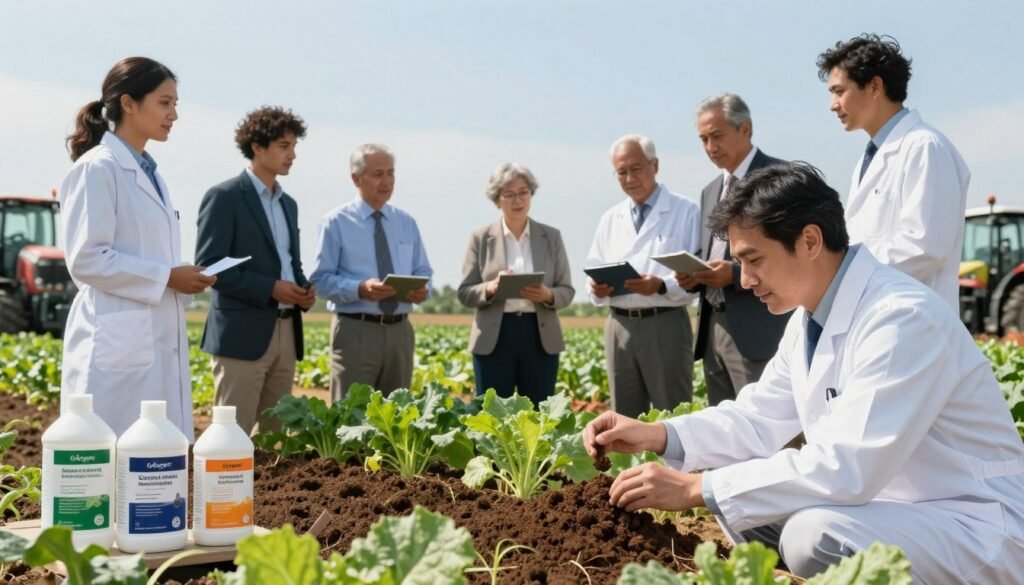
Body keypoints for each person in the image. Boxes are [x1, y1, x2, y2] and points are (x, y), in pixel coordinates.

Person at [584, 163, 1024, 582]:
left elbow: (847, 465)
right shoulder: (809, 318)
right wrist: (657, 433)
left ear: (810, 241)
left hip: (971, 521)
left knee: (811, 536)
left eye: (754, 260)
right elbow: (758, 416)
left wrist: (694, 488)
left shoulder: (902, 317)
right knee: (743, 504)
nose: (747, 279)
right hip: (895, 511)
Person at [59, 57, 215, 439]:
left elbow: (143, 253)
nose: (174, 115)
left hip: (151, 329)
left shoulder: (151, 173)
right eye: (164, 103)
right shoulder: (99, 168)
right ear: (128, 103)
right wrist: (166, 276)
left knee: (156, 456)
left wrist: (177, 275)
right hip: (116, 337)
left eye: (175, 104)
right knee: (113, 457)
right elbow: (86, 259)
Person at [818, 34, 969, 311]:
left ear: (875, 86)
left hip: (914, 318)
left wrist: (841, 266)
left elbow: (925, 247)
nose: (833, 104)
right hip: (876, 310)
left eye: (839, 91)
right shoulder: (872, 155)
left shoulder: (925, 147)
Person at [194, 106, 315, 434]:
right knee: (232, 434)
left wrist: (302, 288)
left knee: (275, 436)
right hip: (241, 335)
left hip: (287, 332)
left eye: (294, 147)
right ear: (257, 148)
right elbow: (210, 268)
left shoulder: (289, 204)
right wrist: (270, 288)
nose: (292, 155)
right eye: (283, 146)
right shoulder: (224, 197)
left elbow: (290, 263)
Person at [679, 93, 790, 405]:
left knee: (767, 431)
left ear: (745, 129)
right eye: (703, 139)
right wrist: (694, 275)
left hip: (758, 327)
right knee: (725, 434)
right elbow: (711, 252)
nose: (710, 148)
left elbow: (791, 255)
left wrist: (735, 273)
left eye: (716, 136)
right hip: (712, 326)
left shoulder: (778, 179)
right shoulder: (709, 191)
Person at [585, 134, 701, 417]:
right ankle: (629, 464)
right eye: (621, 172)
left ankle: (673, 464)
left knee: (672, 413)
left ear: (655, 165)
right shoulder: (610, 218)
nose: (629, 178)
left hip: (665, 324)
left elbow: (698, 278)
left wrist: (661, 286)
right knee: (623, 415)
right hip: (619, 326)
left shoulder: (687, 212)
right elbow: (593, 267)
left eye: (636, 169)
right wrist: (596, 289)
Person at [309, 144, 432, 400]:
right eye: (378, 174)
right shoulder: (336, 223)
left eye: (391, 173)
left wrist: (422, 290)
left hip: (400, 332)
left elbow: (423, 270)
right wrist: (360, 288)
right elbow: (320, 280)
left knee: (397, 418)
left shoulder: (406, 222)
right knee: (351, 418)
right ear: (356, 178)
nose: (386, 181)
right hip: (357, 330)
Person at [457, 163, 574, 405]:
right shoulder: (480, 238)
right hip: (494, 337)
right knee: (493, 416)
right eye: (508, 194)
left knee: (540, 414)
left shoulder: (551, 236)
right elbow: (465, 292)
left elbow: (567, 291)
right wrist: (491, 288)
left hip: (539, 336)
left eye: (523, 192)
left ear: (532, 194)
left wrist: (547, 295)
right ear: (497, 199)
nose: (517, 200)